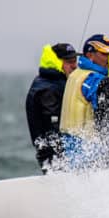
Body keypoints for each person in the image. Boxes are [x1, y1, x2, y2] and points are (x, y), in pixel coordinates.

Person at [25, 42, 78, 171]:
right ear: (57, 62)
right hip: (53, 156)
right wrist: (66, 157)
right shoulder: (48, 89)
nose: (75, 66)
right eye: (69, 62)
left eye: (75, 60)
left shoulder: (54, 81)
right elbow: (52, 130)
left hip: (56, 154)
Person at [60, 34, 109, 140]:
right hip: (85, 143)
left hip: (67, 139)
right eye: (104, 53)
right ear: (90, 55)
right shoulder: (94, 78)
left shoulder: (75, 74)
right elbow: (106, 109)